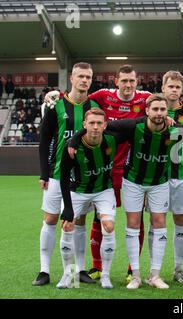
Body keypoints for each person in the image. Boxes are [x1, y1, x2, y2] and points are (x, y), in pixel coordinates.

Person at [44, 65, 183, 282]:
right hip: (103, 166)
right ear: (116, 81)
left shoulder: (144, 98)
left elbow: (165, 102)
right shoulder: (103, 96)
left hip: (129, 169)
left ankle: (130, 270)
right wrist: (59, 97)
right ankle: (96, 266)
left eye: (132, 81)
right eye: (124, 81)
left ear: (137, 82)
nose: (128, 85)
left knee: (136, 219)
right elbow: (79, 96)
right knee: (98, 218)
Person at [87, 94, 183, 290]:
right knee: (133, 223)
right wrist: (76, 139)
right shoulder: (133, 126)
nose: (159, 113)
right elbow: (102, 127)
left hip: (159, 183)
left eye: (162, 110)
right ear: (147, 110)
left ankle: (154, 275)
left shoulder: (176, 130)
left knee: (160, 222)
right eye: (155, 109)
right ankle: (136, 276)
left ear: (167, 112)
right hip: (133, 182)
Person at [33, 62, 99, 286]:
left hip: (81, 176)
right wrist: (44, 173)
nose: (84, 80)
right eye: (80, 76)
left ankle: (80, 269)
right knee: (51, 219)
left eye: (88, 77)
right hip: (56, 173)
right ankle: (44, 270)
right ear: (71, 78)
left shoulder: (95, 106)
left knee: (78, 221)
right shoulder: (56, 106)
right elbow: (44, 142)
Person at [59, 108, 123, 289]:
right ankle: (67, 274)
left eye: (99, 123)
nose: (95, 127)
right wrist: (68, 208)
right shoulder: (72, 147)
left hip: (103, 190)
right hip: (77, 191)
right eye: (92, 123)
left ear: (105, 125)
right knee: (67, 225)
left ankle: (106, 275)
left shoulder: (112, 139)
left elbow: (133, 124)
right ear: (84, 125)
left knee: (109, 227)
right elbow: (64, 177)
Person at [161, 70, 183, 283]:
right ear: (163, 88)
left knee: (181, 219)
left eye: (177, 87)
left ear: (181, 90)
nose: (173, 90)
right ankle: (154, 270)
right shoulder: (153, 107)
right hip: (157, 176)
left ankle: (179, 267)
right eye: (170, 86)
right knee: (157, 221)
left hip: (181, 172)